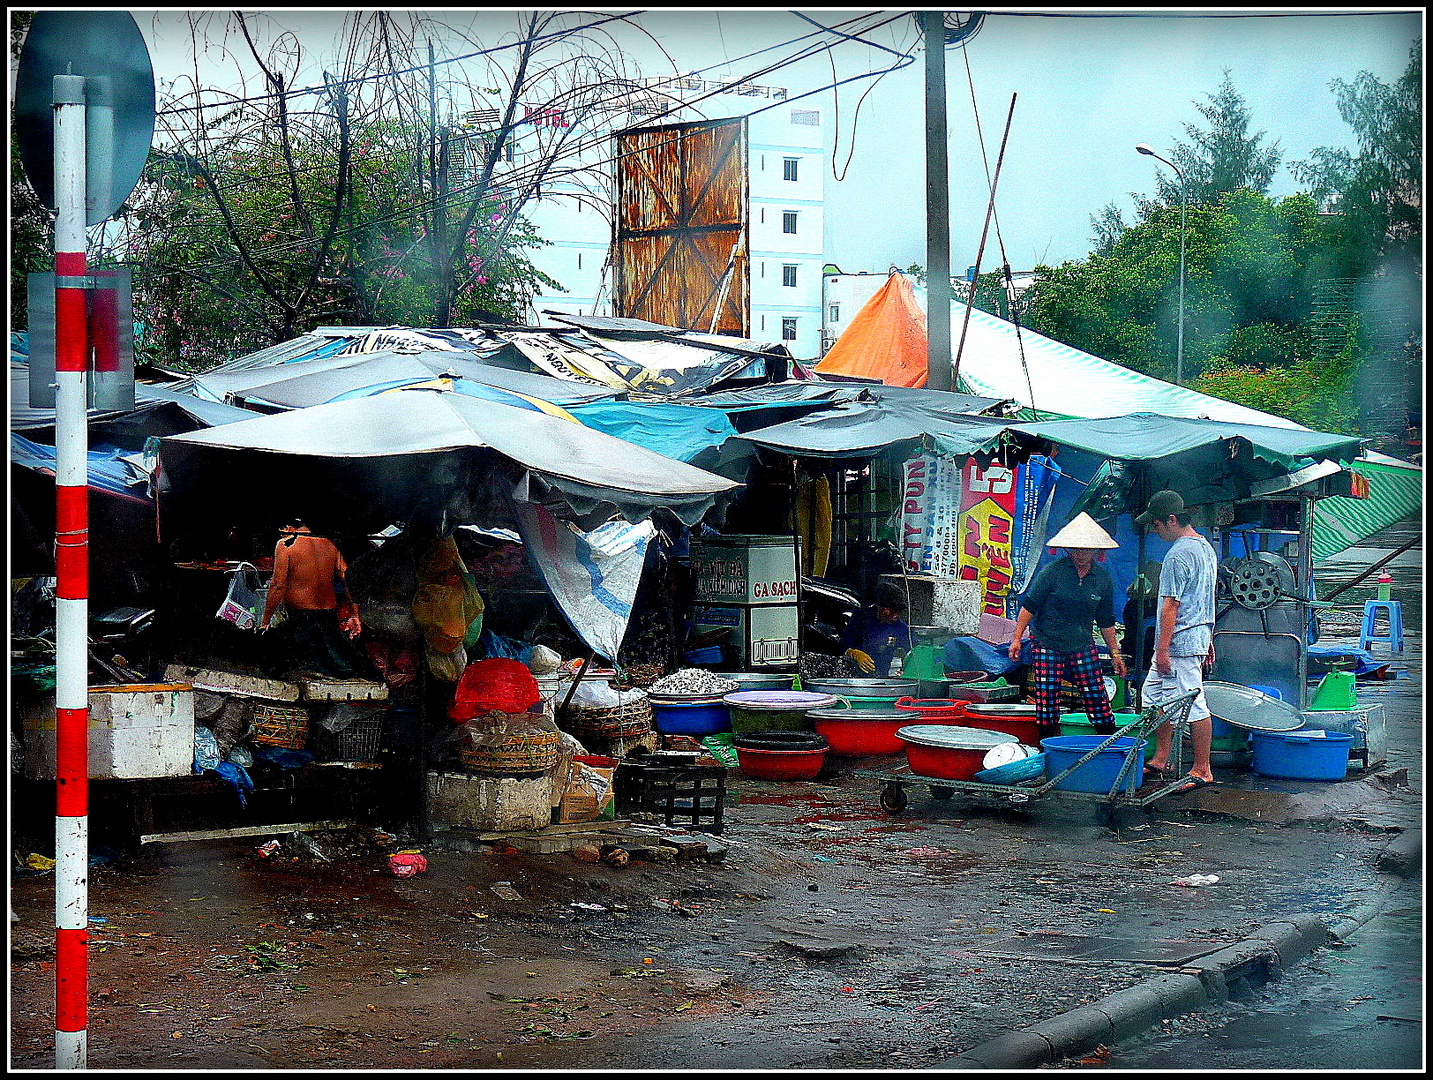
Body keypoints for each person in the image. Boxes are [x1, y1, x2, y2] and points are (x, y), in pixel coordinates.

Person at [1007, 513, 1128, 738]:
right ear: (1068, 549)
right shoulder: (1052, 573)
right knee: (1047, 701)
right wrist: (1016, 639)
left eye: (1086, 549)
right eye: (1076, 549)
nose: (1081, 554)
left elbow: (1105, 620)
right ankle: (1049, 748)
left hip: (1081, 643)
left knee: (1096, 696)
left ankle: (1108, 745)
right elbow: (1029, 607)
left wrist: (1115, 654)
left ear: (1096, 551)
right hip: (1047, 642)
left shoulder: (1101, 579)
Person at [1134, 490, 1219, 788]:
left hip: (1180, 641)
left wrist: (1161, 649)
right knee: (1152, 696)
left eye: (1156, 525)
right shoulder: (1205, 548)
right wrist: (1208, 639)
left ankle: (1202, 768)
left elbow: (1172, 605)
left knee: (1193, 702)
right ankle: (1161, 758)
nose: (1155, 531)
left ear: (1171, 520)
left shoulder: (1179, 553)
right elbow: (1205, 599)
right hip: (1195, 634)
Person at [259, 519, 374, 680]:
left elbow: (277, 585)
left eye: (281, 531)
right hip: (327, 614)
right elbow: (349, 577)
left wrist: (265, 620)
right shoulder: (328, 544)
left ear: (288, 527)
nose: (281, 535)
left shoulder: (286, 545)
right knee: (332, 664)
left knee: (306, 668)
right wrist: (355, 614)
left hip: (303, 617)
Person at [841, 580, 914, 677]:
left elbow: (914, 651)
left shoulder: (900, 628)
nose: (895, 616)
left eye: (898, 611)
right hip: (853, 677)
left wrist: (908, 665)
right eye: (892, 611)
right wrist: (853, 653)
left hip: (880, 678)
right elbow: (843, 645)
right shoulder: (860, 617)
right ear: (879, 606)